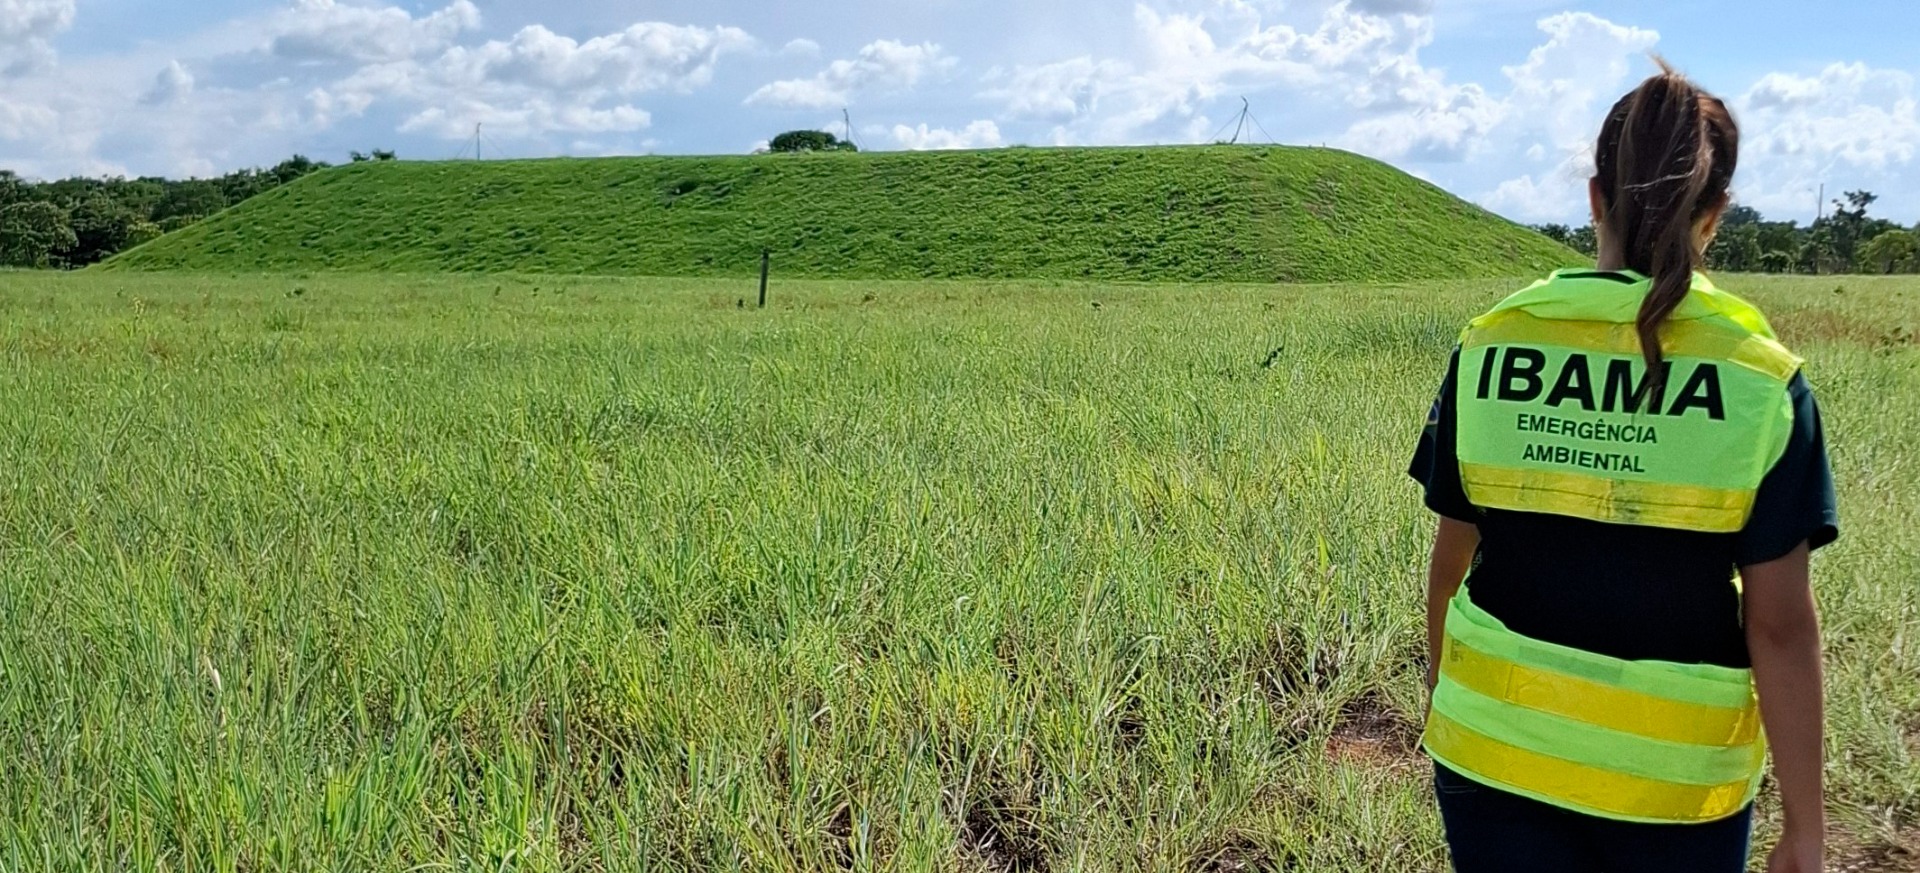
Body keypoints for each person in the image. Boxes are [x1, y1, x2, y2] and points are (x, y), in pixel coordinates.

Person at [1408, 60, 1838, 873]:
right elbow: (1780, 623)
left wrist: (1442, 695)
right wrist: (1807, 830)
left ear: (1594, 196)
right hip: (1671, 785)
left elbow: (1449, 559)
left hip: (1491, 752)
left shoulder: (1493, 345)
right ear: (1715, 215)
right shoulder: (1758, 380)